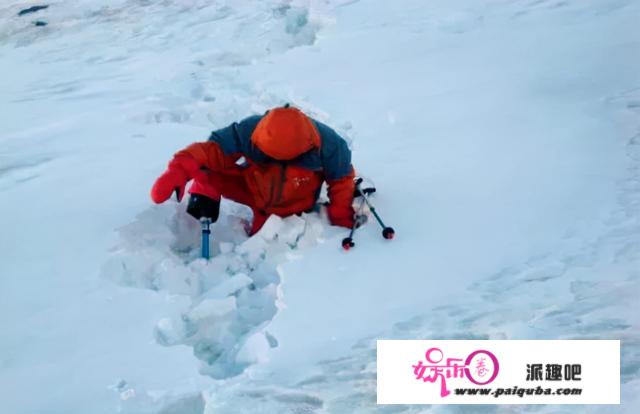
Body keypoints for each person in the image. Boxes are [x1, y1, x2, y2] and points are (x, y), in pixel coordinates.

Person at [150, 105, 356, 235]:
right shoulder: (248, 130)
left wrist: (340, 216)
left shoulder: (330, 145)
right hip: (254, 190)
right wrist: (178, 171)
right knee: (208, 169)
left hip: (293, 205)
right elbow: (210, 152)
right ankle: (204, 191)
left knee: (262, 237)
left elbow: (342, 180)